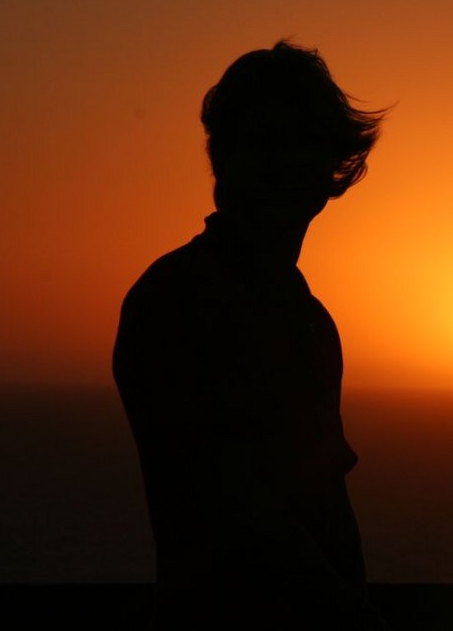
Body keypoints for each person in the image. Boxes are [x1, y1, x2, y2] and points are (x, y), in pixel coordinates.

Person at [113, 41, 388, 628]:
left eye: (304, 142)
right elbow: (223, 499)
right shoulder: (175, 300)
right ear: (225, 156)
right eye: (266, 141)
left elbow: (325, 501)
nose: (287, 163)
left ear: (329, 165)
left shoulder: (309, 318)